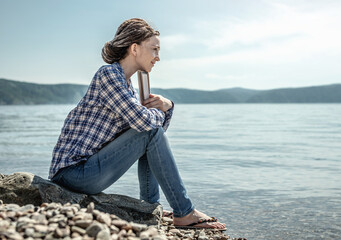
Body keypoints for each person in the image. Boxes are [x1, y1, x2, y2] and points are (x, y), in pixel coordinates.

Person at [48, 18, 226, 230]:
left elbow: (154, 140)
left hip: (86, 171)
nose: (158, 57)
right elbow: (146, 125)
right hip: (73, 174)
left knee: (150, 133)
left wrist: (163, 109)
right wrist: (164, 108)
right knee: (149, 130)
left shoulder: (129, 88)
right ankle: (184, 212)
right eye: (154, 49)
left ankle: (150, 207)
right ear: (134, 48)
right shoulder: (108, 75)